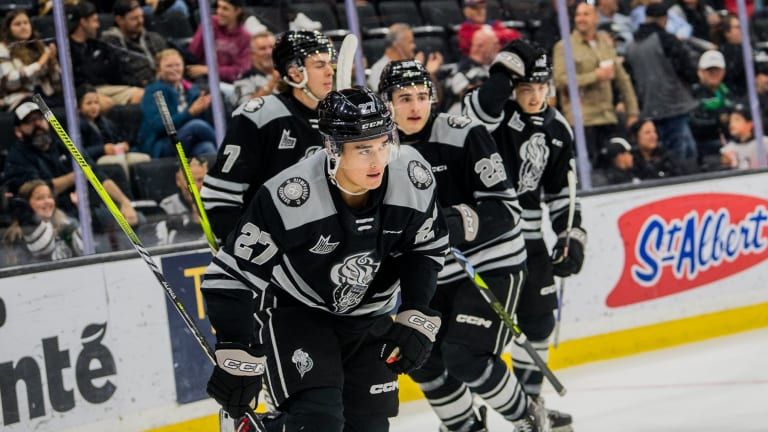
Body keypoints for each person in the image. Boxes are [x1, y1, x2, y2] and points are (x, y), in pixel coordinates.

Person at [201, 86, 449, 432]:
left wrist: (416, 312)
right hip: (298, 311)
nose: (378, 161)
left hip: (370, 315)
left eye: (383, 144)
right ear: (332, 147)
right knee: (319, 421)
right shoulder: (290, 195)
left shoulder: (411, 176)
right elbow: (231, 277)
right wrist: (237, 353)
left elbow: (425, 248)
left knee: (370, 427)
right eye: (363, 150)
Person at [380, 60, 545, 431]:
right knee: (422, 360)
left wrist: (451, 224)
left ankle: (528, 418)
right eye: (404, 98)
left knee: (465, 355)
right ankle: (466, 427)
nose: (415, 107)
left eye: (422, 96)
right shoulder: (377, 152)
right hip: (428, 274)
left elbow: (505, 209)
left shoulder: (462, 133)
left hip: (489, 264)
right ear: (386, 103)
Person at [463, 39, 586, 431]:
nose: (534, 97)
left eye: (541, 88)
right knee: (472, 336)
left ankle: (531, 406)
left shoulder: (557, 127)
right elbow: (478, 111)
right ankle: (465, 415)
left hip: (531, 242)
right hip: (486, 243)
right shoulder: (494, 118)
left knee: (538, 325)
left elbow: (562, 192)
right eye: (525, 89)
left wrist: (571, 235)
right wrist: (503, 71)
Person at [201, 30, 335, 241]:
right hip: (267, 245)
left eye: (329, 64)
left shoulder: (336, 119)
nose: (330, 72)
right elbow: (220, 196)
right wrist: (236, 243)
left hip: (317, 245)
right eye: (320, 65)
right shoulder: (260, 116)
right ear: (294, 72)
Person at [3, 98, 138, 227]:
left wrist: (125, 203)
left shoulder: (65, 144)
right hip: (52, 214)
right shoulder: (17, 157)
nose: (38, 124)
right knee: (73, 227)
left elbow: (98, 175)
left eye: (40, 118)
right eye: (29, 121)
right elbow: (36, 190)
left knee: (134, 219)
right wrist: (76, 176)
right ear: (18, 131)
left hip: (85, 207)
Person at [554, 1, 638, 169]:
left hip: (607, 117)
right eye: (578, 15)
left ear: (596, 18)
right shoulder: (564, 47)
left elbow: (622, 79)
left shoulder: (605, 43)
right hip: (583, 120)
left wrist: (632, 112)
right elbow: (560, 80)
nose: (580, 19)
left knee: (614, 166)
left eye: (586, 14)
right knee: (591, 169)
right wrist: (595, 76)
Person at [626, 1, 699, 163]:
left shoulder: (631, 47)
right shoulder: (666, 39)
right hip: (674, 104)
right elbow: (687, 70)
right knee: (684, 151)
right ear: (664, 19)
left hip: (649, 107)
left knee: (664, 149)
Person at [137, 49, 217, 158]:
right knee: (197, 125)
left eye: (177, 65)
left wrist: (206, 107)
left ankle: (219, 173)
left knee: (207, 148)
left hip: (187, 143)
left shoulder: (192, 90)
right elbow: (158, 126)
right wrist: (190, 113)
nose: (174, 69)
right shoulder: (154, 91)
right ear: (159, 69)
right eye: (169, 66)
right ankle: (227, 154)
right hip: (163, 145)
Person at [67, 0, 144, 111]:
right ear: (83, 22)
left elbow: (118, 70)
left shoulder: (99, 46)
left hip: (107, 88)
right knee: (104, 103)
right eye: (94, 21)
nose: (98, 26)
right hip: (83, 93)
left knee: (141, 95)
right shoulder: (66, 49)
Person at [2, 179, 84, 265]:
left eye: (49, 197)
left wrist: (83, 210)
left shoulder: (66, 225)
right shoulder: (16, 236)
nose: (47, 201)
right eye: (39, 198)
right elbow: (42, 250)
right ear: (26, 204)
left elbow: (84, 250)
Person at [78, 84, 150, 175]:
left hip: (112, 155)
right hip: (94, 160)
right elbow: (79, 152)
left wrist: (123, 145)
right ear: (78, 107)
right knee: (119, 162)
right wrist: (103, 149)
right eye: (89, 103)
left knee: (143, 158)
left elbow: (118, 138)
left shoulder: (104, 122)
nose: (94, 107)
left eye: (96, 103)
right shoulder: (77, 125)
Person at [0, 10, 61, 110]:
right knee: (47, 115)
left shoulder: (40, 47)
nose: (23, 26)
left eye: (26, 22)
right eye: (17, 24)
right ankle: (54, 126)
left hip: (45, 96)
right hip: (19, 99)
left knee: (70, 106)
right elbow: (10, 81)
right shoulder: (2, 49)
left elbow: (56, 82)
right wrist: (40, 64)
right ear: (8, 29)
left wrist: (53, 62)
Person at [101, 0, 168, 88]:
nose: (140, 21)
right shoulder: (110, 44)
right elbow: (119, 75)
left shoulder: (154, 38)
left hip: (164, 83)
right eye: (134, 18)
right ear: (119, 20)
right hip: (138, 88)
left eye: (141, 17)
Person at [187, 0, 251, 83]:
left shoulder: (245, 37)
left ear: (237, 11)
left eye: (225, 9)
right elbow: (193, 53)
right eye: (218, 7)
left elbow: (240, 70)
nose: (219, 12)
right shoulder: (210, 23)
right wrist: (205, 28)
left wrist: (210, 70)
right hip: (204, 79)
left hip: (231, 83)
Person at [689, 50, 732, 166]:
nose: (714, 74)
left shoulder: (728, 93)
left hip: (730, 144)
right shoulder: (692, 94)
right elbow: (694, 122)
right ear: (700, 72)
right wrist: (718, 121)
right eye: (709, 70)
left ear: (723, 72)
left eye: (717, 70)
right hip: (704, 146)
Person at [155, 157, 209, 245]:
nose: (194, 187)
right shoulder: (167, 207)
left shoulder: (217, 204)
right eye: (189, 181)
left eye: (200, 180)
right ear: (178, 180)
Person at [457, 0, 521, 59]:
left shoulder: (493, 24)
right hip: (473, 65)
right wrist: (496, 36)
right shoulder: (465, 28)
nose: (480, 12)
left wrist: (493, 34)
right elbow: (477, 42)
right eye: (475, 9)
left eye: (482, 8)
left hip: (496, 61)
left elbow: (515, 36)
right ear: (467, 11)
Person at [232, 31, 279, 106]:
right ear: (252, 54)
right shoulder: (244, 79)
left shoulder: (287, 72)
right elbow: (245, 108)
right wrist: (271, 84)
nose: (269, 52)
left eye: (271, 47)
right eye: (262, 49)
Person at [720, 103, 768, 169]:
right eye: (730, 121)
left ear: (750, 124)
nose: (732, 124)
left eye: (737, 120)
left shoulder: (765, 143)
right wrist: (726, 163)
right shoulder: (728, 148)